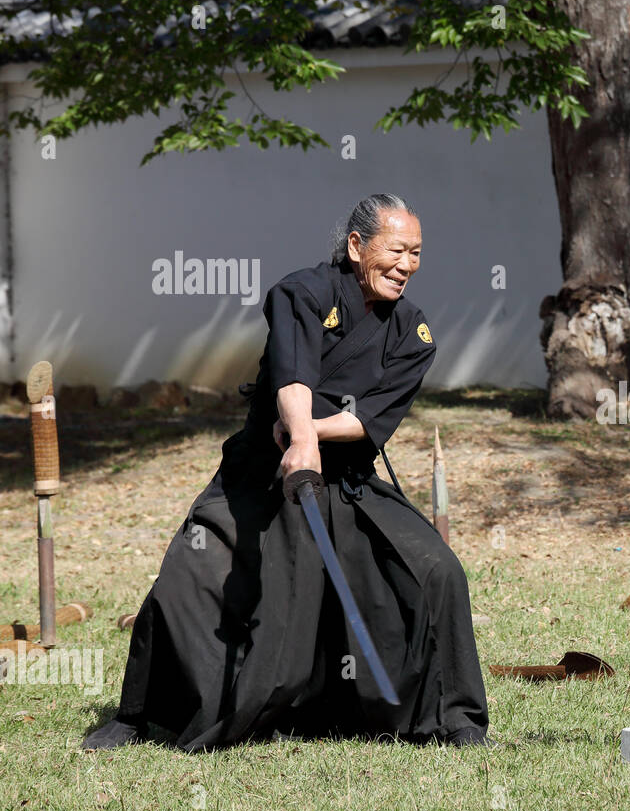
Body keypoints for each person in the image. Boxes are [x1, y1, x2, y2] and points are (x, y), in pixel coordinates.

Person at [83, 193, 491, 751]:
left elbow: (370, 421)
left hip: (345, 484)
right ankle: (137, 714)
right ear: (356, 246)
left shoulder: (411, 332)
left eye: (416, 253)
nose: (407, 265)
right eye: (397, 250)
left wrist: (311, 434)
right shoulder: (303, 294)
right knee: (190, 574)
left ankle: (455, 719)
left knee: (436, 570)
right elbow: (292, 375)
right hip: (260, 475)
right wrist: (297, 434)